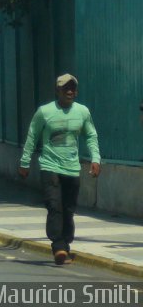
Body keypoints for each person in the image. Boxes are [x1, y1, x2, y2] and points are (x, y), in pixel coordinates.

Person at [18, 73, 101, 265]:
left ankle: (65, 244)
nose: (70, 91)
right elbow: (32, 137)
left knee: (68, 209)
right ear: (58, 90)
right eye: (66, 88)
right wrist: (24, 162)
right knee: (54, 206)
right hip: (50, 166)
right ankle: (58, 246)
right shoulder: (45, 112)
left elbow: (91, 135)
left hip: (72, 168)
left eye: (73, 88)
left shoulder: (82, 112)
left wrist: (95, 159)